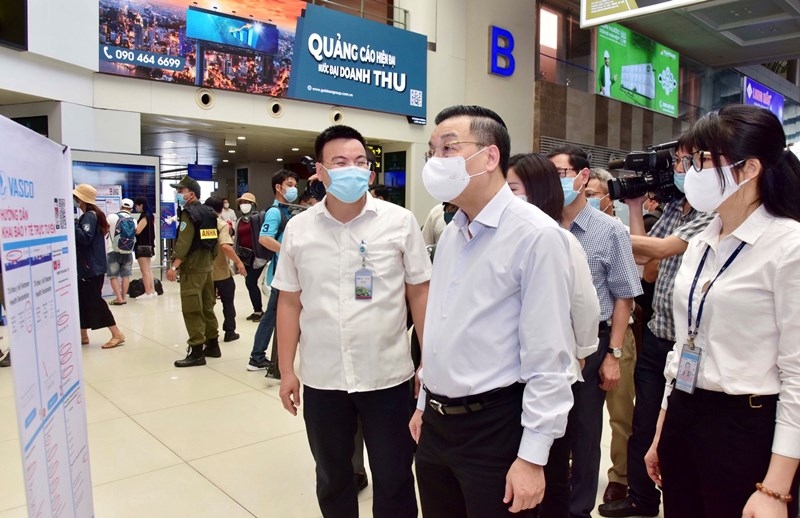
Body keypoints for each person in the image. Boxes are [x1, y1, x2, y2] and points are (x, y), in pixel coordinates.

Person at [410, 106, 574, 518]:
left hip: (495, 426)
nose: (436, 160)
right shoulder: (452, 233)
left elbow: (549, 356)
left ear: (490, 156)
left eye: (449, 148)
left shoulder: (536, 235)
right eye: (432, 151)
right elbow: (442, 327)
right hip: (438, 424)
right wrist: (425, 401)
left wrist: (533, 457)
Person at [644, 105, 800, 517]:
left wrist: (775, 489)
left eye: (702, 160)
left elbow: (798, 374)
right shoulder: (701, 242)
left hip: (745, 424)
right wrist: (663, 430)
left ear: (749, 169)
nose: (690, 171)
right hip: (686, 411)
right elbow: (684, 346)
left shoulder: (788, 246)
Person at [274, 124, 430, 518]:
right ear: (320, 172)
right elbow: (289, 301)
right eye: (340, 162)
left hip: (387, 375)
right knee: (332, 476)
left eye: (360, 162)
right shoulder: (299, 229)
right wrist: (286, 370)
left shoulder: (399, 222)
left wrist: (429, 361)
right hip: (323, 377)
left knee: (395, 476)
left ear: (371, 173)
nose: (353, 169)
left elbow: (419, 293)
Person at [598, 137, 715, 518]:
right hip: (656, 334)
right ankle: (642, 499)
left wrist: (597, 229)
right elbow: (644, 259)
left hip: (688, 344)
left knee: (679, 430)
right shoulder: (676, 208)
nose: (680, 170)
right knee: (643, 423)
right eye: (678, 162)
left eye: (687, 161)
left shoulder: (710, 214)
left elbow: (661, 250)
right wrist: (634, 208)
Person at [547, 145, 642, 518]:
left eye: (560, 173)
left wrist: (613, 355)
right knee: (547, 425)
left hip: (593, 342)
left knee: (585, 432)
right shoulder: (542, 224)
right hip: (548, 339)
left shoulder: (609, 230)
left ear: (582, 176)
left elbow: (624, 297)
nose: (554, 181)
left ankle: (578, 509)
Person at [507, 152, 601, 517]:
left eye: (513, 189)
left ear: (538, 191)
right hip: (506, 381)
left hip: (550, 376)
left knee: (553, 471)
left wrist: (581, 351)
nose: (505, 197)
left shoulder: (558, 238)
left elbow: (585, 307)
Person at [585, 167, 640, 505]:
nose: (588, 199)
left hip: (615, 334)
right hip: (581, 337)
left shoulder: (618, 232)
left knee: (621, 414)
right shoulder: (564, 229)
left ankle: (620, 477)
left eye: (593, 194)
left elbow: (626, 294)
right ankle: (575, 466)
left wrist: (615, 352)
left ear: (609, 198)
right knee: (579, 414)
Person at [166, 176, 220, 367]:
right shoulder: (209, 212)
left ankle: (197, 351)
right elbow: (215, 241)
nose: (178, 194)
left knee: (192, 309)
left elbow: (184, 242)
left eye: (180, 191)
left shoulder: (189, 214)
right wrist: (210, 260)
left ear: (191, 194)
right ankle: (213, 345)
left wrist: (174, 266)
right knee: (207, 306)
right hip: (207, 267)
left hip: (192, 269)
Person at [248, 169, 298, 371]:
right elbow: (265, 238)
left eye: (295, 185)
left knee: (273, 315)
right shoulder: (275, 212)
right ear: (278, 187)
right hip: (280, 273)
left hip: (288, 273)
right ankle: (257, 357)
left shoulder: (289, 211)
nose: (293, 189)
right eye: (289, 185)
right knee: (271, 316)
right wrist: (287, 252)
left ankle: (259, 356)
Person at [73, 184, 126, 349]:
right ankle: (83, 335)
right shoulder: (94, 215)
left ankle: (117, 333)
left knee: (95, 301)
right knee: (82, 301)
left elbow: (85, 238)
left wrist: (73, 226)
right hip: (91, 266)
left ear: (81, 199)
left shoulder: (89, 216)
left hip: (89, 268)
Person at [205, 196, 246, 342]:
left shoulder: (200, 224)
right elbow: (225, 246)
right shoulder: (222, 225)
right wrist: (239, 263)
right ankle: (230, 332)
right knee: (228, 303)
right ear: (221, 209)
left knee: (207, 305)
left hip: (205, 272)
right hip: (221, 272)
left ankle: (209, 334)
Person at [233, 192, 265, 322]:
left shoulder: (259, 219)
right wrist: (236, 259)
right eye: (241, 203)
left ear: (253, 205)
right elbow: (237, 239)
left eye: (246, 202)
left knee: (251, 282)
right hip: (244, 256)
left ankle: (259, 311)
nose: (243, 205)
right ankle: (257, 310)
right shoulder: (239, 221)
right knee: (249, 283)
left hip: (257, 255)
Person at [106, 198, 136, 305]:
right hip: (128, 251)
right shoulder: (133, 221)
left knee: (113, 276)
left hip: (113, 250)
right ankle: (124, 297)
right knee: (125, 276)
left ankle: (118, 298)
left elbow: (105, 229)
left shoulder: (111, 217)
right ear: (131, 209)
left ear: (121, 207)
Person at [133, 196, 158, 298]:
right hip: (149, 245)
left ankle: (147, 292)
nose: (135, 208)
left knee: (144, 271)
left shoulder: (144, 216)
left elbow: (138, 231)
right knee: (148, 269)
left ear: (141, 205)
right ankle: (152, 291)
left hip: (142, 246)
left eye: (136, 206)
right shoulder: (150, 215)